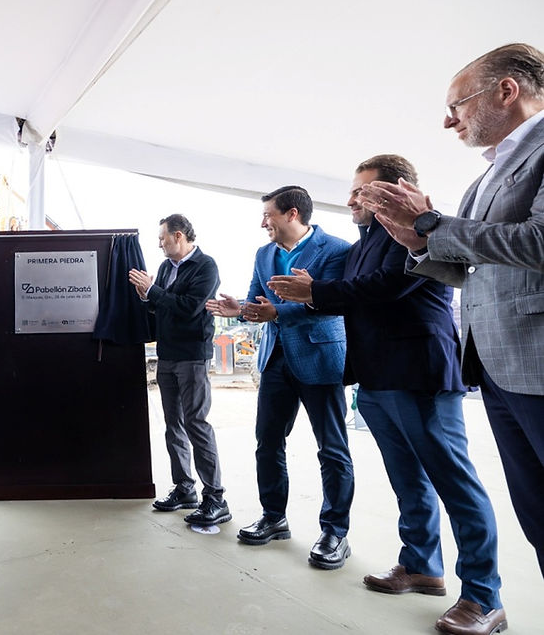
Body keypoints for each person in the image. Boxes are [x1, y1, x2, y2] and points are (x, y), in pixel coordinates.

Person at [268, 155, 504, 635]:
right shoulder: (363, 244)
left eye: (363, 190)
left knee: (456, 486)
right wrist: (318, 292)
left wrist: (317, 292)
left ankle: (483, 597)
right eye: (353, 190)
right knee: (409, 481)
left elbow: (387, 287)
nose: (351, 199)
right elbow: (354, 289)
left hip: (418, 373)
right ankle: (421, 566)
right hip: (376, 376)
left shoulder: (415, 234)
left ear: (396, 192)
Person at [362, 43, 544, 633]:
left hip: (536, 359)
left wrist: (430, 225)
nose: (449, 120)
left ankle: (479, 592)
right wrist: (419, 242)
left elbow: (539, 244)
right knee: (536, 514)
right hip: (494, 362)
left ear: (506, 91)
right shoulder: (486, 175)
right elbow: (465, 268)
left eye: (457, 104)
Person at [208, 186, 354, 569]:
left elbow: (334, 304)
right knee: (267, 442)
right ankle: (274, 517)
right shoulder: (264, 254)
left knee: (332, 449)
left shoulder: (337, 249)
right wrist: (238, 308)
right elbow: (259, 301)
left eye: (268, 215)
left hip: (320, 358)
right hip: (274, 360)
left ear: (291, 214)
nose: (263, 223)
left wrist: (279, 313)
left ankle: (335, 532)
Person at [127, 214, 230, 527]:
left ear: (180, 235)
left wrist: (153, 291)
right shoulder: (164, 269)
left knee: (196, 423)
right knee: (174, 424)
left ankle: (215, 498)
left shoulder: (206, 266)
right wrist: (146, 297)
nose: (160, 244)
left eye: (163, 238)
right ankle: (185, 489)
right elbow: (162, 308)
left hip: (192, 357)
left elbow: (188, 308)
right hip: (168, 356)